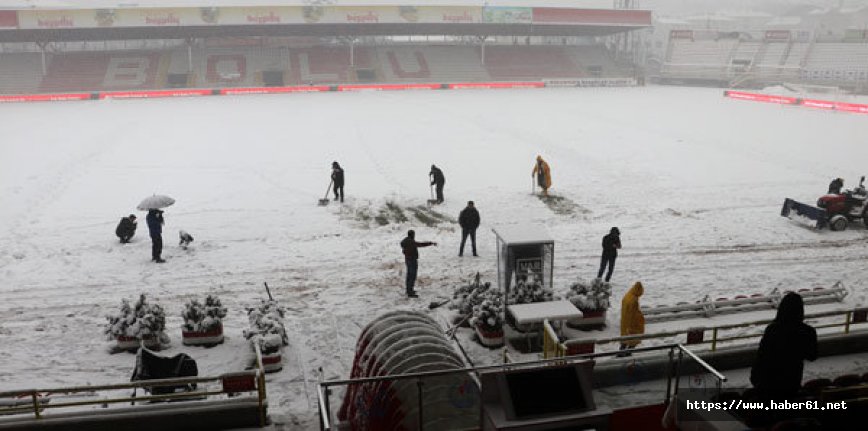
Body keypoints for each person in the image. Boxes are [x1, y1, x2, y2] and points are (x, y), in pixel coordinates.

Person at [750, 292, 818, 401]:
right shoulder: (808, 331)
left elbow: (762, 355)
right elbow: (812, 356)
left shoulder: (772, 329)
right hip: (792, 381)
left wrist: (755, 378)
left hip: (768, 381)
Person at [400, 230, 436, 298]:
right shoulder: (411, 242)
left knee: (409, 275)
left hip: (407, 260)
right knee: (412, 276)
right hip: (412, 260)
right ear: (412, 235)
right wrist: (430, 243)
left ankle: (408, 290)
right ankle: (410, 292)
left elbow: (404, 249)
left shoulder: (405, 241)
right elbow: (421, 244)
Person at [618, 281, 645, 356]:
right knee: (634, 339)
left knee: (624, 340)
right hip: (631, 324)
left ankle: (620, 353)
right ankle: (628, 354)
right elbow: (634, 314)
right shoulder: (634, 300)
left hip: (624, 322)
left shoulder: (628, 295)